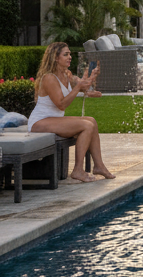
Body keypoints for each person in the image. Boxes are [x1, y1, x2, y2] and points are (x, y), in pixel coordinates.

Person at [27, 41, 114, 183]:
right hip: (40, 122)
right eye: (65, 54)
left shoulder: (67, 75)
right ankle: (78, 170)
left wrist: (91, 80)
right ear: (55, 58)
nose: (69, 57)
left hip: (54, 120)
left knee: (91, 120)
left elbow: (83, 85)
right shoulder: (49, 78)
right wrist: (77, 88)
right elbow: (61, 104)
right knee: (87, 125)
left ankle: (99, 166)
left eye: (70, 54)